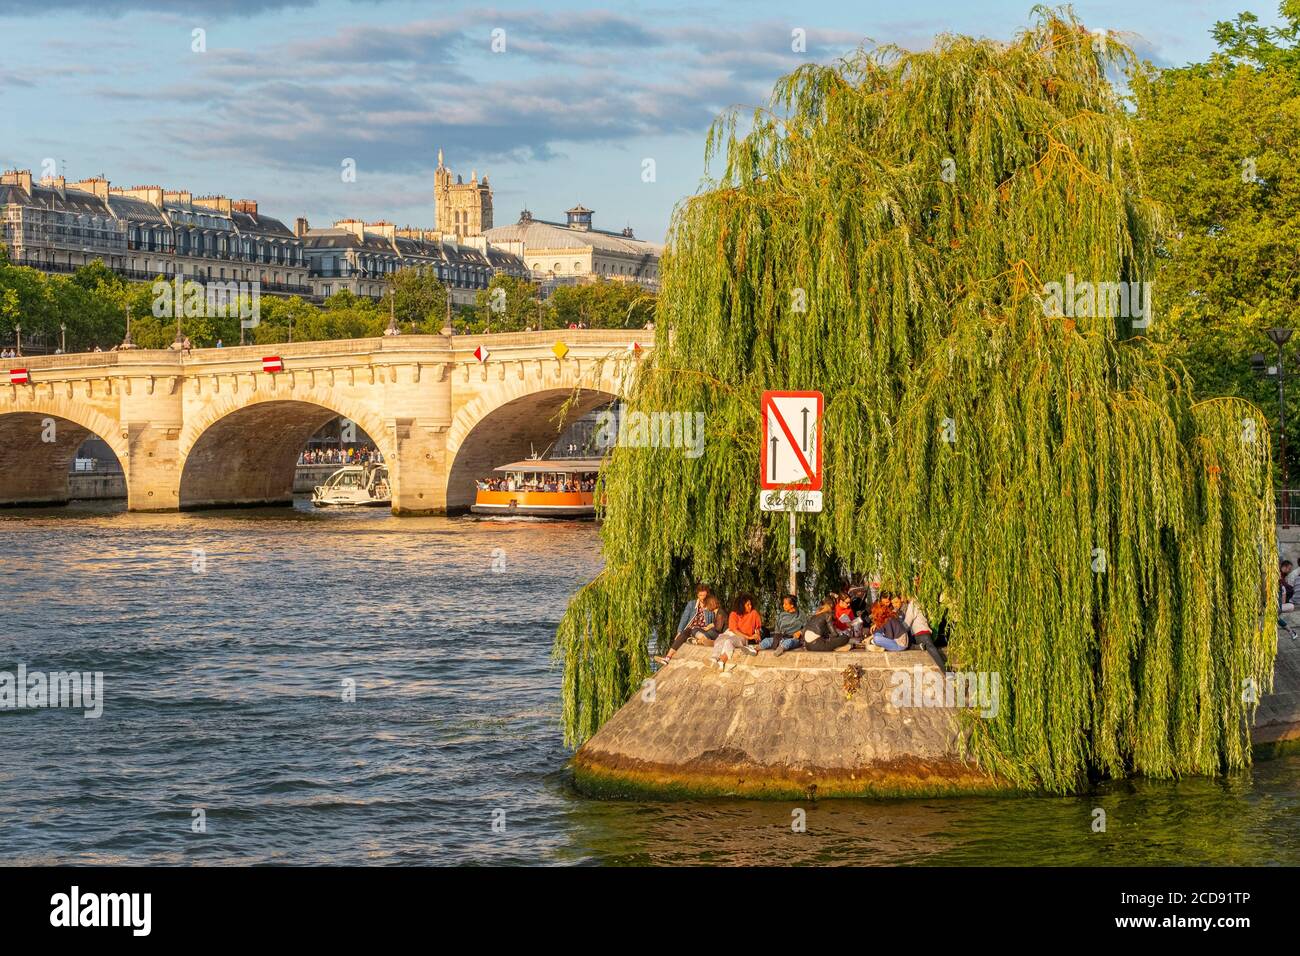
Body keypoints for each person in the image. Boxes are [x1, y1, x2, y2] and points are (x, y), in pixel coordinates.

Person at [654, 584, 719, 665]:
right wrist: (679, 631)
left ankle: (700, 640)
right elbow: (684, 618)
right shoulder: (691, 604)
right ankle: (668, 657)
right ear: (697, 595)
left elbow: (717, 618)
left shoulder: (710, 605)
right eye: (700, 595)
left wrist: (711, 625)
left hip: (704, 629)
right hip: (691, 629)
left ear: (708, 595)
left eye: (704, 595)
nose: (702, 598)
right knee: (683, 633)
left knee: (694, 632)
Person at [711, 594, 762, 669]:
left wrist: (757, 636)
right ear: (741, 605)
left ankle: (721, 662)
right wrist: (749, 637)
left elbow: (757, 628)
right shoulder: (733, 614)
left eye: (750, 604)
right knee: (720, 640)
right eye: (748, 605)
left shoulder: (754, 613)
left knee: (729, 641)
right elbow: (734, 630)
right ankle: (713, 659)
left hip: (742, 636)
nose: (750, 606)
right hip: (731, 633)